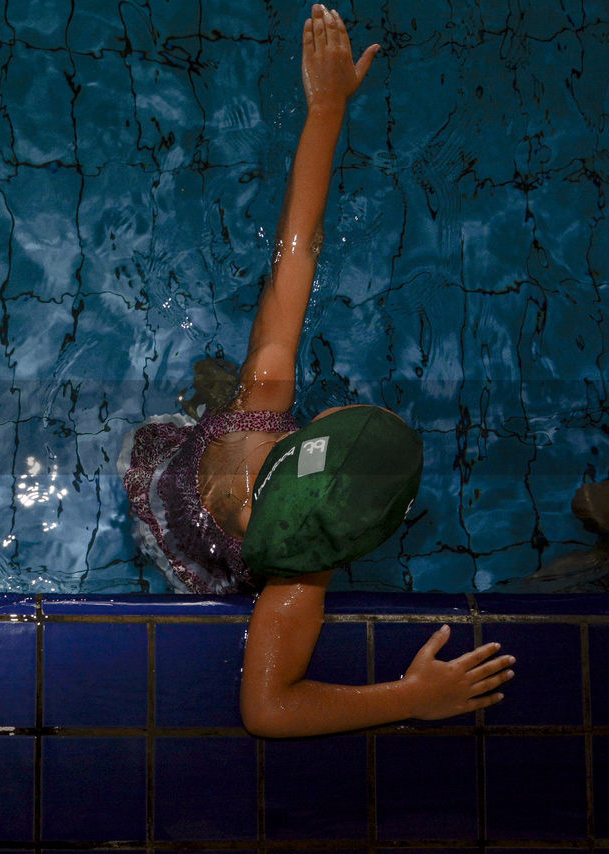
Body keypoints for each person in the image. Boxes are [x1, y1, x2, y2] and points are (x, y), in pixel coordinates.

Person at [121, 6, 516, 737]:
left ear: (306, 439)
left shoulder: (261, 410)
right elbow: (268, 709)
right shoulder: (302, 577)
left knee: (225, 376)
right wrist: (411, 697)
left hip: (153, 475)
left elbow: (294, 256)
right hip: (199, 571)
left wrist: (326, 110)